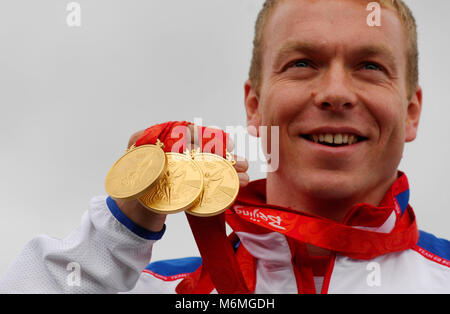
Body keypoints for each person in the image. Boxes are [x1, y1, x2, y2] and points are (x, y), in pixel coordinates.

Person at [1, 0, 449, 294]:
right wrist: (121, 229)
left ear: (411, 111)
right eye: (302, 64)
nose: (335, 92)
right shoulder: (161, 288)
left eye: (369, 65)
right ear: (253, 105)